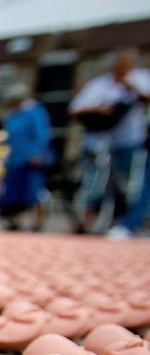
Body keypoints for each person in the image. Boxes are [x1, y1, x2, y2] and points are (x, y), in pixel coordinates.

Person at [69, 49, 150, 235]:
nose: (121, 69)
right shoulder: (99, 84)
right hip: (99, 140)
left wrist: (130, 86)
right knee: (95, 181)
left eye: (126, 65)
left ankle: (123, 222)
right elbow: (74, 109)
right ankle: (87, 219)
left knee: (126, 183)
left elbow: (146, 98)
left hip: (130, 140)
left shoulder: (140, 78)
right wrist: (98, 110)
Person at [0, 83, 50, 231]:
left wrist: (37, 154)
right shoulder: (12, 115)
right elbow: (11, 135)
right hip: (14, 159)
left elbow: (41, 134)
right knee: (13, 191)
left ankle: (37, 222)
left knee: (34, 190)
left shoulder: (35, 111)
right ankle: (14, 221)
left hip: (30, 159)